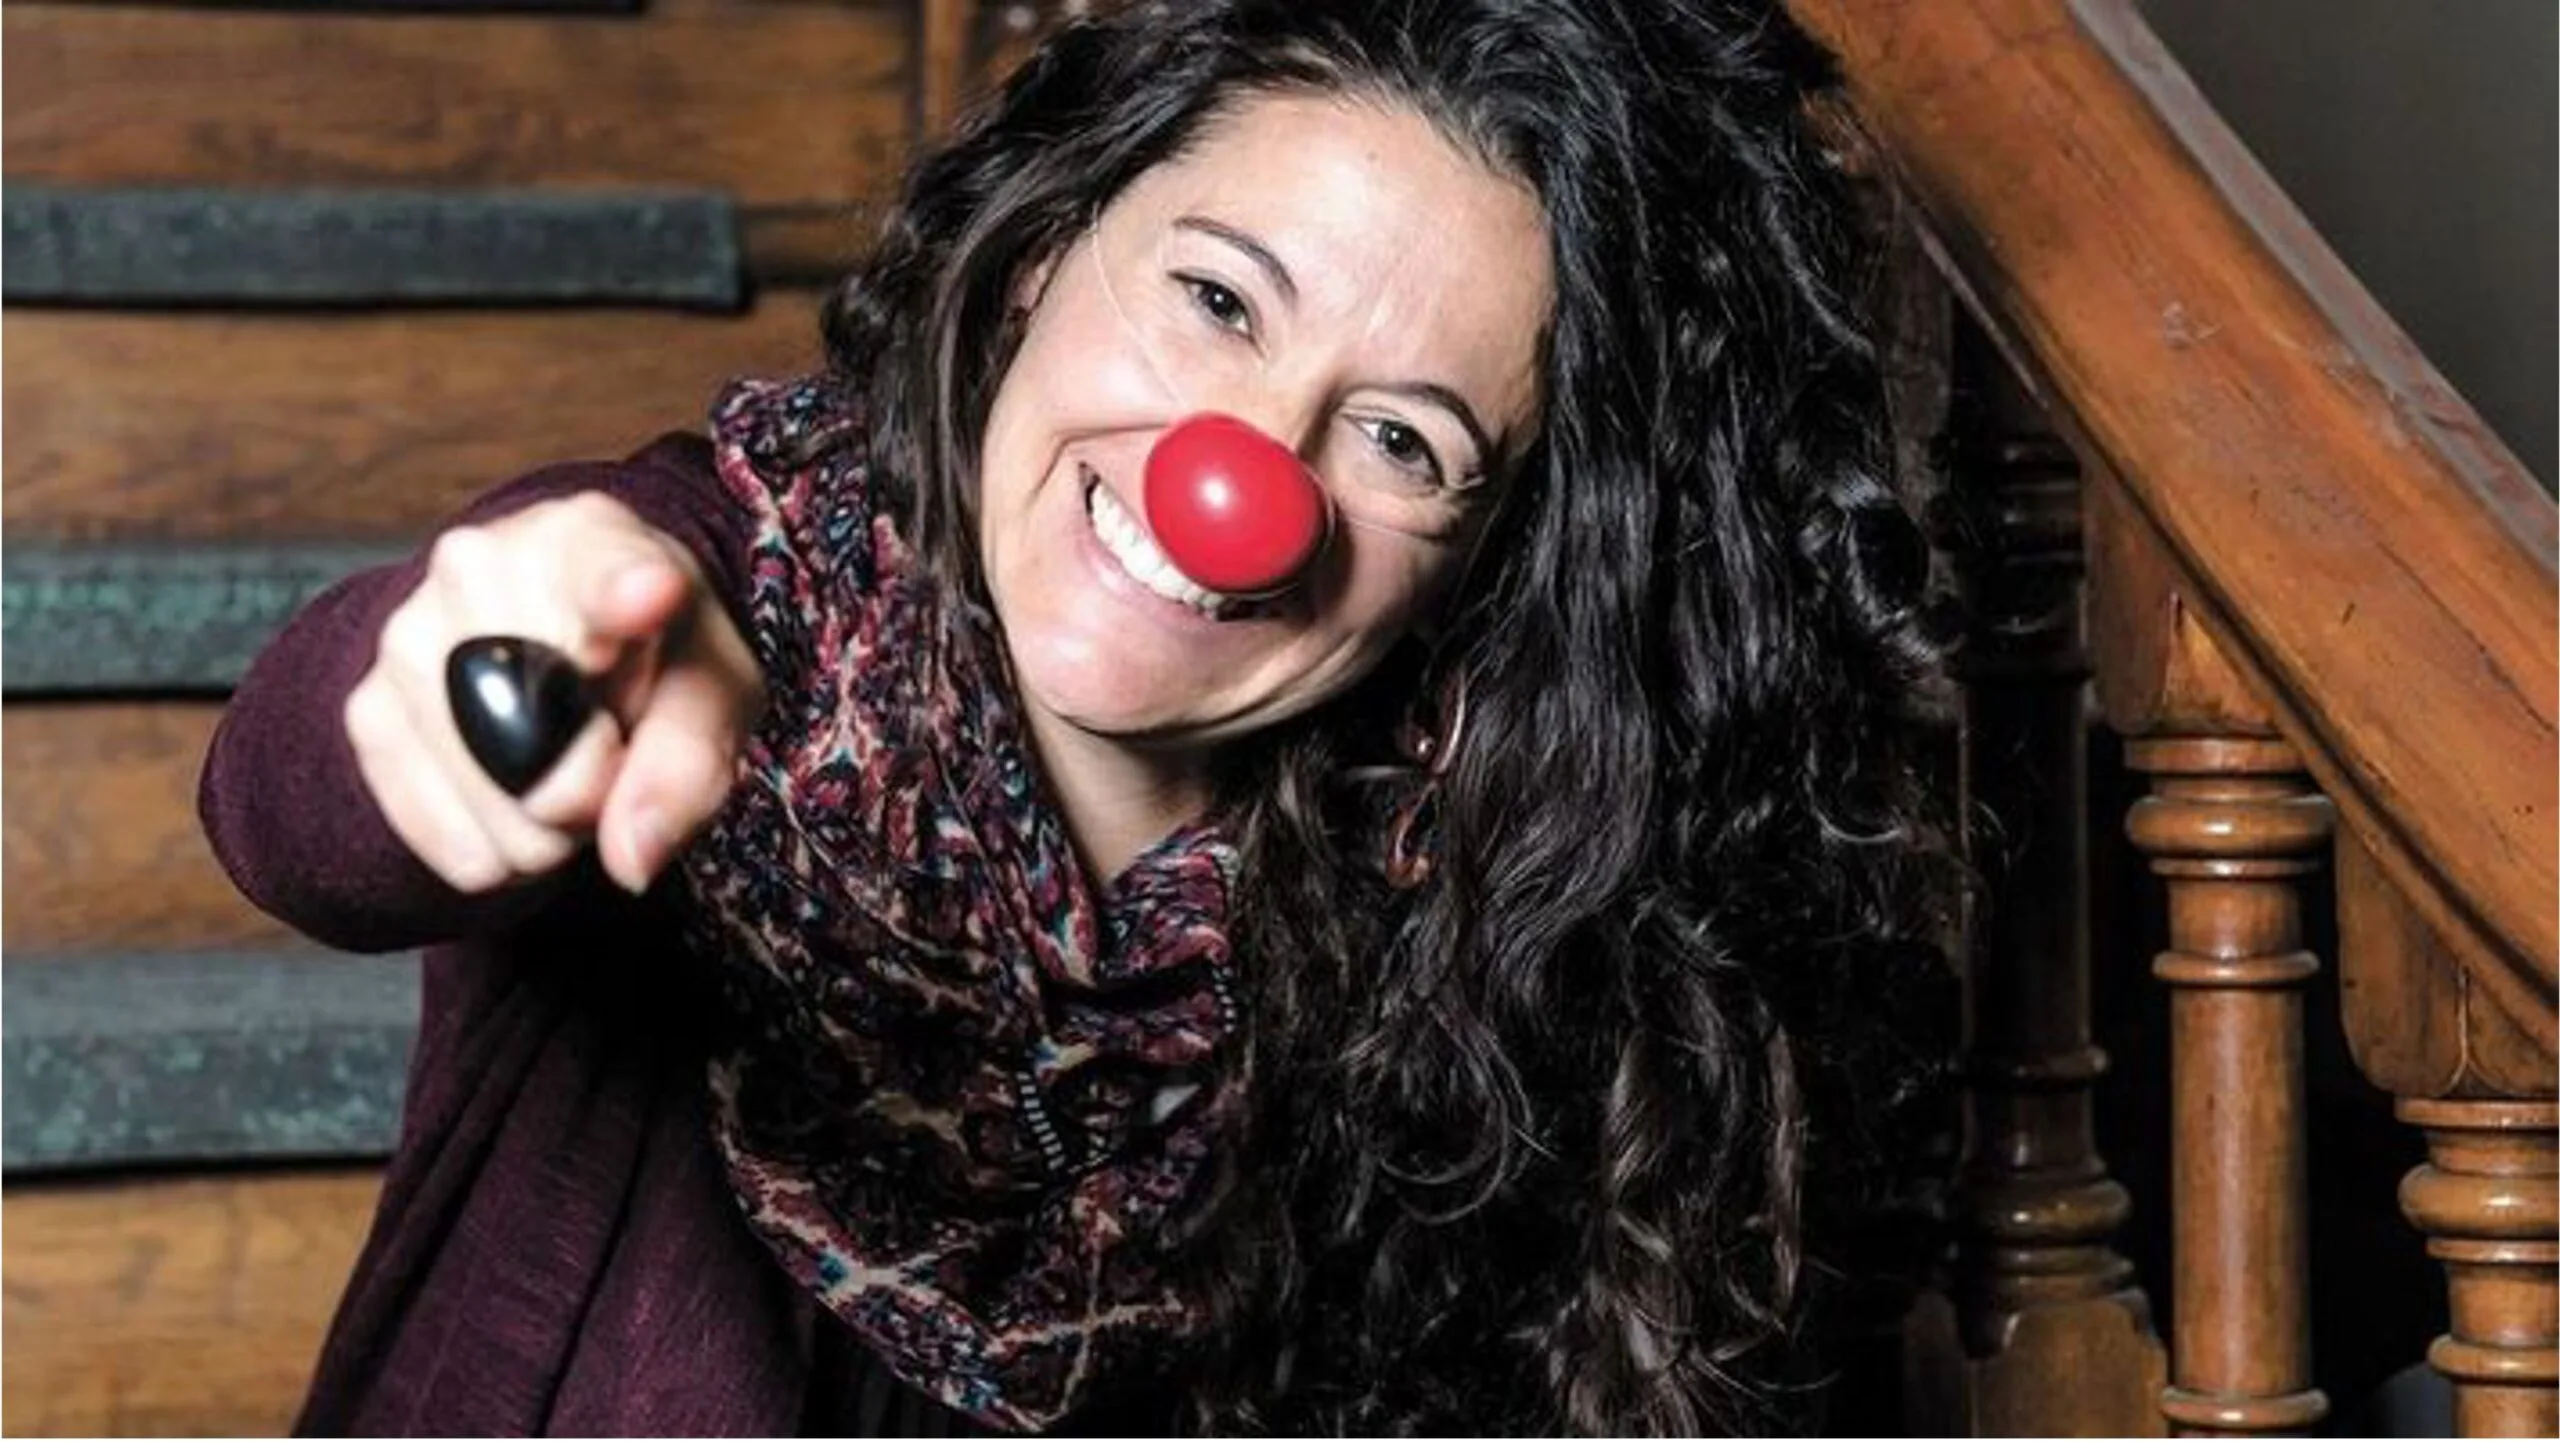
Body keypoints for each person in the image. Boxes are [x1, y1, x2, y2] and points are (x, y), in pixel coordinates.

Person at [201, 0, 1953, 1433]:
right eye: (1214, 301)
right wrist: (460, 692)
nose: (1244, 482)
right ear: (1046, 248)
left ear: (1489, 563)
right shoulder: (690, 594)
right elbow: (297, 807)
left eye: (1403, 441)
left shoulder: (1472, 951)